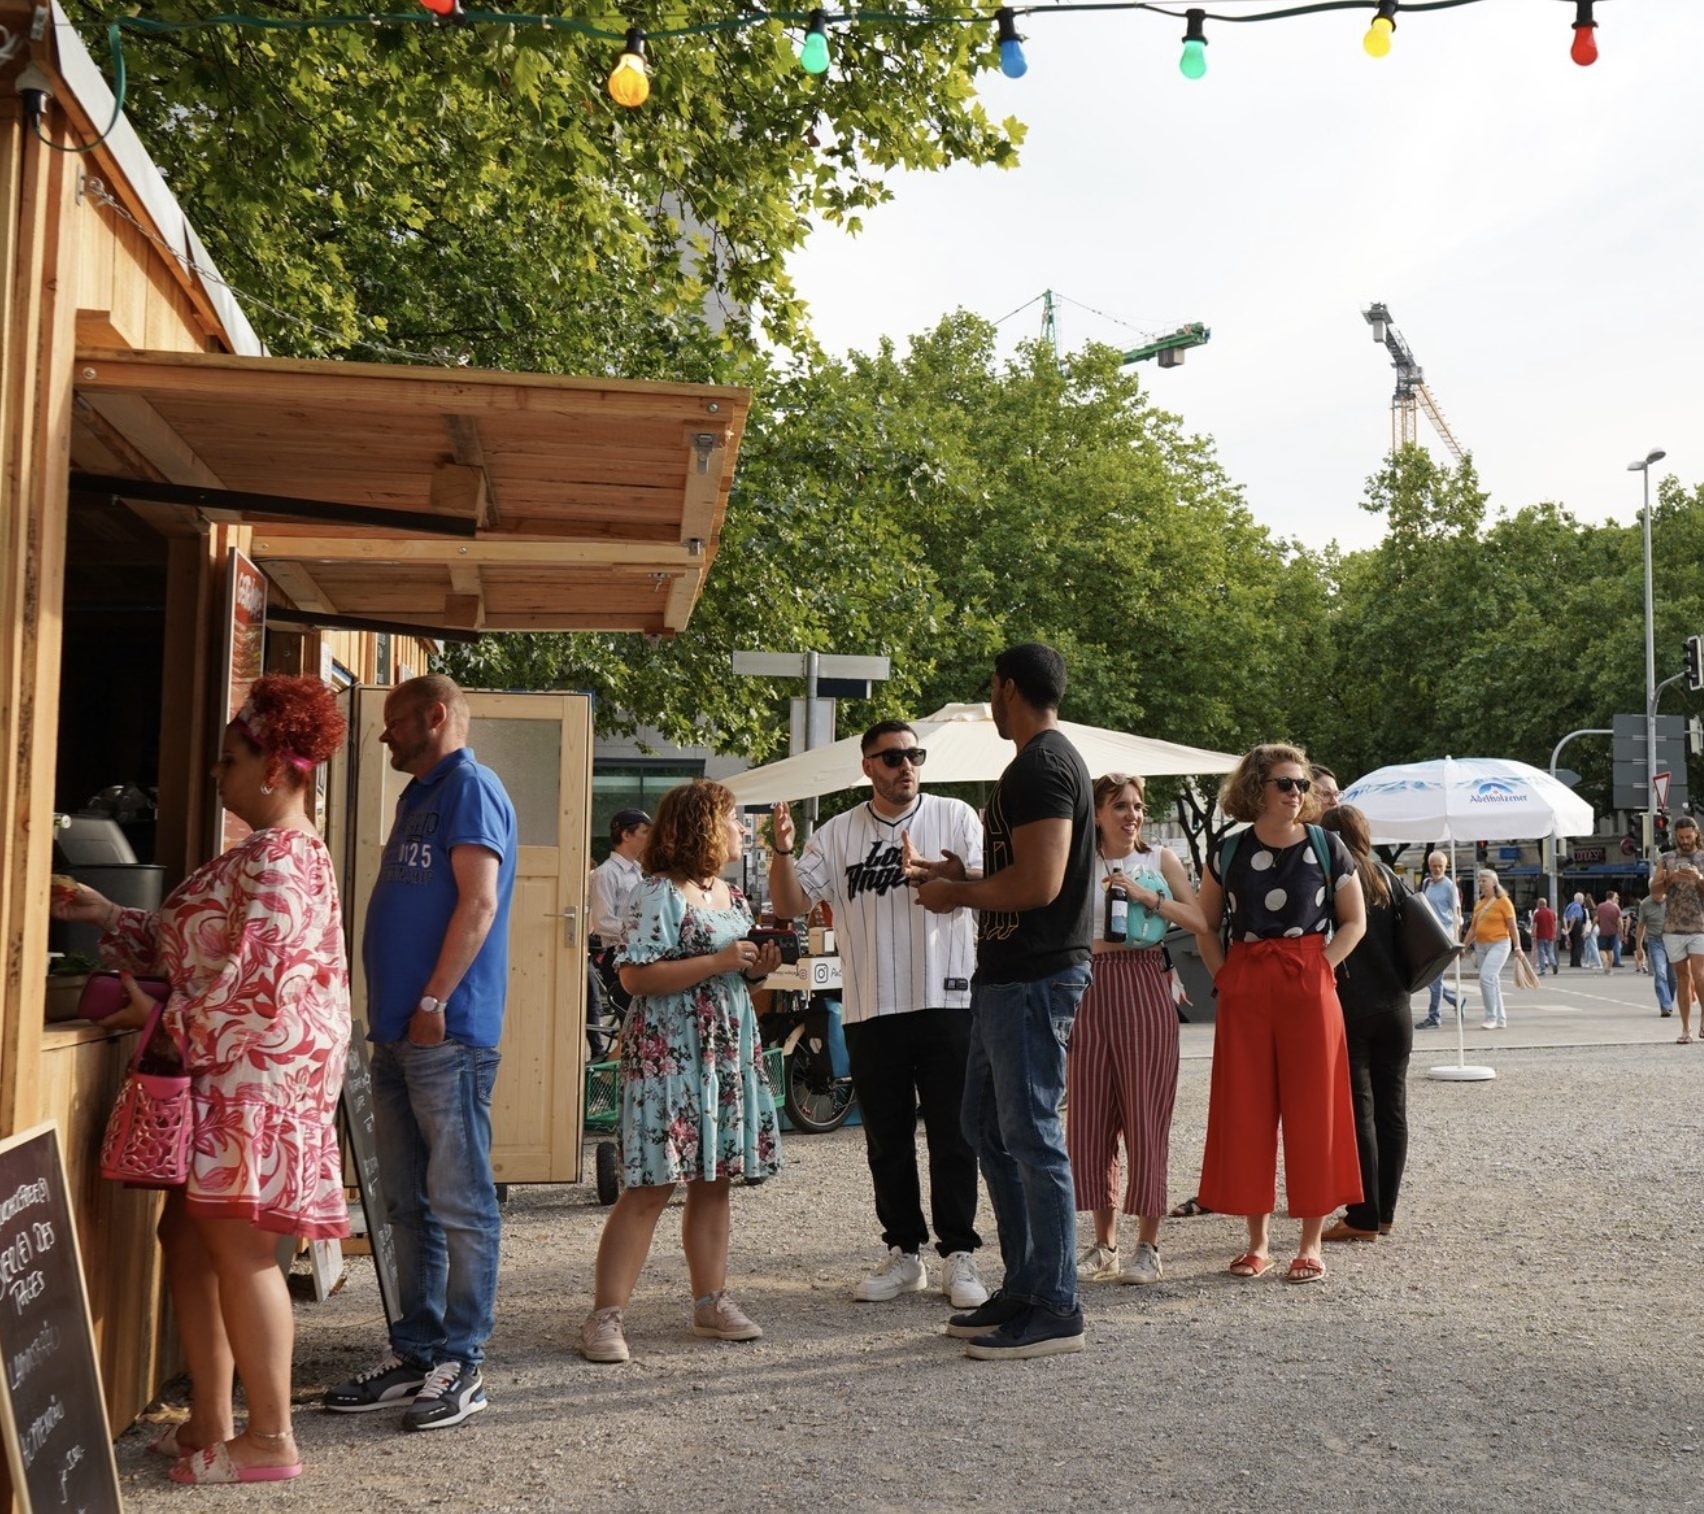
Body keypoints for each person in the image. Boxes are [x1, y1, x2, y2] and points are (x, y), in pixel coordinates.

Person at [55, 675, 350, 1484]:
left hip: (250, 1085)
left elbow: (250, 991)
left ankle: (272, 1439)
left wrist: (148, 1019)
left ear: (276, 770)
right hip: (235, 1079)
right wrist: (107, 915)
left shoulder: (283, 861)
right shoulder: (267, 853)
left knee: (242, 1249)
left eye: (228, 761)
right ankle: (213, 1419)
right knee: (187, 1238)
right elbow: (201, 949)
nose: (216, 776)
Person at [325, 675, 517, 1431]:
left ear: (436, 717)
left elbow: (479, 900)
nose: (383, 736)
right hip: (400, 1034)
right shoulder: (421, 794)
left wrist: (435, 1000)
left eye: (394, 722)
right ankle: (417, 1354)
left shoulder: (469, 787)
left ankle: (462, 1363)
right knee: (406, 1205)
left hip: (447, 1033)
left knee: (461, 1203)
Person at [767, 721, 989, 1310]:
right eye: (891, 757)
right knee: (886, 1140)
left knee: (953, 1134)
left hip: (949, 999)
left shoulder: (958, 816)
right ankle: (905, 1253)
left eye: (914, 755)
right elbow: (790, 905)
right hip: (871, 1004)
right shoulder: (838, 833)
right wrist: (783, 849)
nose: (905, 766)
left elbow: (995, 882)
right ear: (867, 765)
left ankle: (960, 1253)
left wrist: (948, 875)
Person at [915, 643, 1095, 1360]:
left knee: (1030, 1137)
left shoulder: (1042, 764)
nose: (990, 699)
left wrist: (956, 893)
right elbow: (1027, 872)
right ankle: (1027, 1284)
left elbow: (1042, 884)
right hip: (1011, 976)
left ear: (1008, 688)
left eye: (991, 687)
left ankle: (1056, 1305)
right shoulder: (1039, 764)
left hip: (1032, 977)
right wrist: (969, 875)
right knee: (988, 1128)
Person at [578, 780, 782, 1363]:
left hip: (722, 1046)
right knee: (649, 1184)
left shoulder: (733, 897)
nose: (741, 829)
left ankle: (710, 1302)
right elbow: (634, 978)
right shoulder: (657, 893)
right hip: (670, 1048)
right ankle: (605, 1316)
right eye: (733, 819)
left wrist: (755, 970)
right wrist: (719, 960)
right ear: (703, 825)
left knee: (713, 1179)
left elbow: (736, 976)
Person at [1193, 743, 1365, 1284]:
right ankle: (1258, 1243)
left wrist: (1322, 968)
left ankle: (1310, 1244)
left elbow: (1354, 921)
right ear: (1256, 789)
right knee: (1247, 1110)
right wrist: (1225, 975)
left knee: (1316, 1111)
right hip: (1247, 977)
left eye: (1301, 785)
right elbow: (1205, 924)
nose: (1296, 793)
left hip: (1308, 979)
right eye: (1285, 784)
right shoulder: (1229, 850)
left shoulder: (1327, 845)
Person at [1069, 774, 1205, 1286]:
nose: (1132, 815)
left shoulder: (1159, 860)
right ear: (1098, 814)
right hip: (1089, 986)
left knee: (1146, 1114)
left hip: (1145, 982)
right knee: (1091, 1116)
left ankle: (1149, 1246)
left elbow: (1200, 921)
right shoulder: (1078, 860)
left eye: (1138, 806)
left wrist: (1147, 900)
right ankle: (1104, 1245)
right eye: (1121, 806)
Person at [1318, 807, 1411, 1244]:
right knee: (1393, 1110)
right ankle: (1386, 1213)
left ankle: (1363, 1216)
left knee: (1361, 1113)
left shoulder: (1331, 880)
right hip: (1397, 1007)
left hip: (1352, 1006)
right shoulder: (1387, 877)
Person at [588, 808, 652, 1020]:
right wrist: (640, 930)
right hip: (618, 955)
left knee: (639, 1022)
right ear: (626, 835)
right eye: (644, 832)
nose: (649, 838)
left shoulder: (637, 872)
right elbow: (602, 921)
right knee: (631, 1023)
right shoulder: (606, 873)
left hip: (638, 952)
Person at [1653, 817, 1704, 1045]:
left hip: (1700, 925)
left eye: (1688, 836)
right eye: (1680, 837)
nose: (1684, 841)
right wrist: (1669, 880)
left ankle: (1703, 1017)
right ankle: (1686, 1029)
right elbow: (1655, 892)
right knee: (1682, 979)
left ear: (1696, 833)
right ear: (1675, 836)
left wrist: (1699, 878)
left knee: (1700, 975)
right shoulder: (1666, 859)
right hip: (1673, 928)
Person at [1462, 869, 1528, 1029]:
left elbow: (1512, 927)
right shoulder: (1479, 903)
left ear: (1494, 882)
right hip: (1480, 945)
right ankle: (1500, 1018)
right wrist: (1463, 946)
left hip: (1500, 944)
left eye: (1484, 880)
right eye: (1479, 881)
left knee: (1486, 977)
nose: (1480, 883)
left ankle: (1490, 1016)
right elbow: (1472, 928)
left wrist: (1518, 946)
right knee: (1493, 981)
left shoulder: (1503, 902)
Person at [1415, 851, 1463, 1028]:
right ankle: (1457, 999)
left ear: (1445, 867)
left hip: (1443, 937)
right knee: (1431, 979)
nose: (1436, 869)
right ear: (1429, 866)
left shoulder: (1450, 887)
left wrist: (1458, 941)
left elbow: (1457, 915)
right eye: (1434, 866)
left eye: (1440, 866)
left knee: (1434, 979)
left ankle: (1434, 1018)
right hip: (1429, 935)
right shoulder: (1427, 883)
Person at [1634, 890, 1676, 1019]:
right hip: (1655, 941)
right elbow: (1641, 927)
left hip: (1673, 940)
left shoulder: (1672, 900)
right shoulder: (1645, 904)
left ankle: (1668, 1001)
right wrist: (1639, 947)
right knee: (1660, 971)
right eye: (1655, 892)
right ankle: (1665, 1005)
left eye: (1660, 892)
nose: (1658, 896)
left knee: (1673, 977)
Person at [1531, 897, 1559, 977]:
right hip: (1550, 935)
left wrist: (1533, 934)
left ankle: (1542, 969)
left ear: (1539, 904)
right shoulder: (1552, 913)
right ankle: (1554, 963)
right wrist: (1554, 934)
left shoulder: (1537, 914)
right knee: (1550, 951)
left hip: (1540, 936)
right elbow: (1554, 924)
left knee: (1541, 952)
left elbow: (1535, 925)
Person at [1596, 891, 1623, 972]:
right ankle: (1609, 967)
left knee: (1602, 949)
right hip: (1613, 932)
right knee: (1610, 950)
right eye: (1616, 897)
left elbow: (1596, 918)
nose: (1617, 899)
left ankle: (1605, 962)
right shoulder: (1616, 907)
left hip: (1603, 931)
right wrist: (1621, 932)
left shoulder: (1600, 906)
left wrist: (1592, 927)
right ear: (1612, 897)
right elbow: (1620, 922)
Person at [1562, 892, 1586, 969]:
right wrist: (1571, 928)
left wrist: (1567, 928)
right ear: (1580, 899)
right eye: (1583, 899)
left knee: (1572, 944)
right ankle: (1577, 962)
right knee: (1578, 944)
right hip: (1576, 925)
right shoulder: (1578, 907)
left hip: (1569, 924)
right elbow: (1574, 917)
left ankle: (1572, 962)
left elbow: (1564, 917)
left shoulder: (1569, 905)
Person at [1580, 892, 1603, 971]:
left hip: (1589, 928)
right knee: (1588, 946)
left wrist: (1584, 932)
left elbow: (1584, 923)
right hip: (1596, 928)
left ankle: (1599, 964)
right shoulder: (1595, 909)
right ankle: (1587, 962)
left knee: (1593, 946)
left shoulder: (1585, 911)